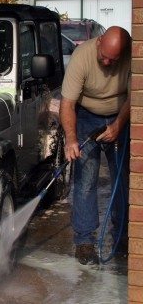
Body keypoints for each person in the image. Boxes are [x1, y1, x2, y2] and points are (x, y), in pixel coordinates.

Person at [59, 26, 131, 265]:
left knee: (122, 179)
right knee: (86, 179)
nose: (108, 62)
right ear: (99, 42)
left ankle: (123, 236)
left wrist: (119, 125)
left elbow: (136, 96)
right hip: (87, 115)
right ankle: (84, 241)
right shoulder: (82, 57)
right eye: (104, 57)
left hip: (120, 114)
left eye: (114, 59)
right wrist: (71, 138)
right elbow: (67, 103)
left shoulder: (132, 57)